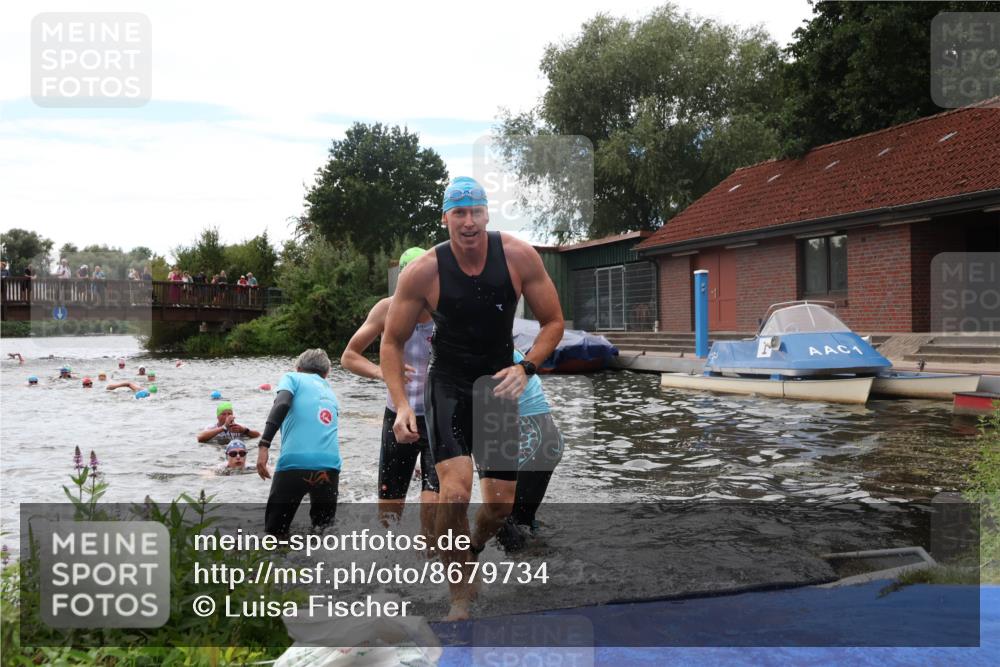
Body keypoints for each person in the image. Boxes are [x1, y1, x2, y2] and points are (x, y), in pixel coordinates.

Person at [381, 176, 564, 620]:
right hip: (448, 385)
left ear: (487, 214)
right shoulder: (423, 270)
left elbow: (553, 322)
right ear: (445, 218)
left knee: (500, 506)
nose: (468, 223)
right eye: (458, 213)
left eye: (476, 212)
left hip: (497, 385)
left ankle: (472, 549)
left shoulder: (519, 256)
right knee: (455, 492)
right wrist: (403, 404)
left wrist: (526, 367)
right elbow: (390, 342)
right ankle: (459, 596)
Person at [342, 248, 438, 535]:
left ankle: (430, 568)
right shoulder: (387, 308)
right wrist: (382, 372)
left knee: (433, 512)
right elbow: (349, 356)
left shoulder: (443, 308)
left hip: (438, 419)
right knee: (388, 517)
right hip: (398, 416)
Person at [257, 349, 341, 538]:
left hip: (295, 464)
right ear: (326, 373)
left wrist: (264, 444)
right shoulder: (331, 393)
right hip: (330, 466)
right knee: (324, 534)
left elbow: (282, 404)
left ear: (298, 368)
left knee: (274, 535)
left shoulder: (292, 378)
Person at [495, 349, 564, 552]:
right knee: (520, 521)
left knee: (506, 523)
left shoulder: (492, 353)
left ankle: (526, 574)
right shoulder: (506, 349)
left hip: (533, 443)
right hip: (541, 441)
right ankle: (538, 561)